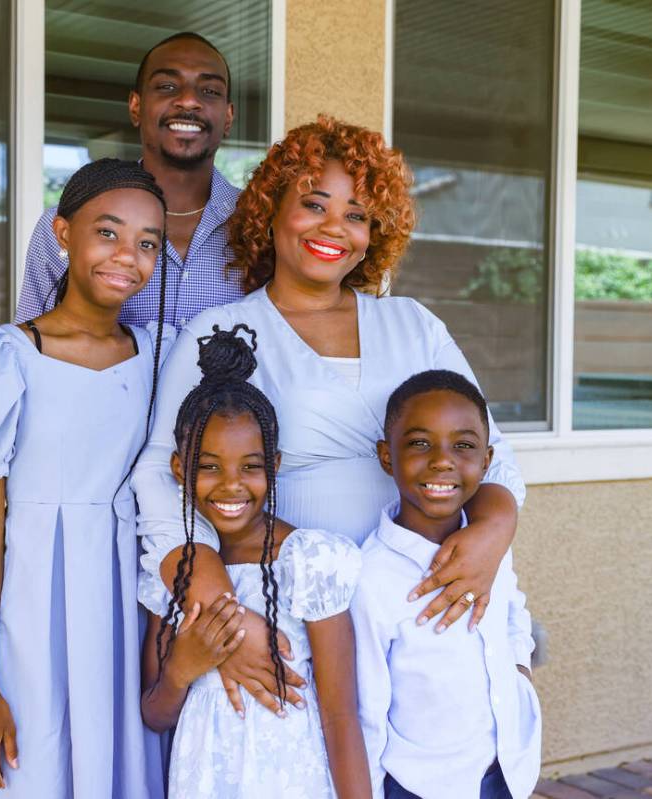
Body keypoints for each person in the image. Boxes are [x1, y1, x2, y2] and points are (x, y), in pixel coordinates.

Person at [133, 116, 526, 717]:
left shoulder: (414, 325)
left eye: (357, 214)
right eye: (314, 203)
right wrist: (222, 616)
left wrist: (492, 538)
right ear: (270, 208)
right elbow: (165, 479)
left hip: (421, 599)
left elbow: (491, 451)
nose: (333, 228)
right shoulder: (218, 335)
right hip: (287, 610)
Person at [0, 159, 169, 798]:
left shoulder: (165, 356)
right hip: (32, 614)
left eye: (148, 243)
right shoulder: (3, 356)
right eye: (109, 233)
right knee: (36, 764)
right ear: (63, 233)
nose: (128, 256)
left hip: (127, 610)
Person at [140, 324, 371, 798]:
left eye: (251, 466)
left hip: (292, 779)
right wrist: (185, 665)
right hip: (205, 781)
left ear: (276, 465)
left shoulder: (308, 560)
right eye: (208, 466)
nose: (231, 485)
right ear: (179, 468)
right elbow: (155, 713)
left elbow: (342, 714)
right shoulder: (175, 576)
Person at [352, 370, 541, 799]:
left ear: (487, 460)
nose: (442, 460)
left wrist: (520, 673)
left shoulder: (490, 544)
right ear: (387, 456)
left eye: (464, 446)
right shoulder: (371, 576)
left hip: (507, 768)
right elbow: (366, 709)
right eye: (420, 443)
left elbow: (514, 611)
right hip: (421, 784)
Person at [16, 32, 242, 328]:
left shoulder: (264, 227)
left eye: (210, 91)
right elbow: (33, 351)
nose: (188, 100)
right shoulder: (71, 224)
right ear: (136, 106)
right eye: (167, 86)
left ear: (228, 117)